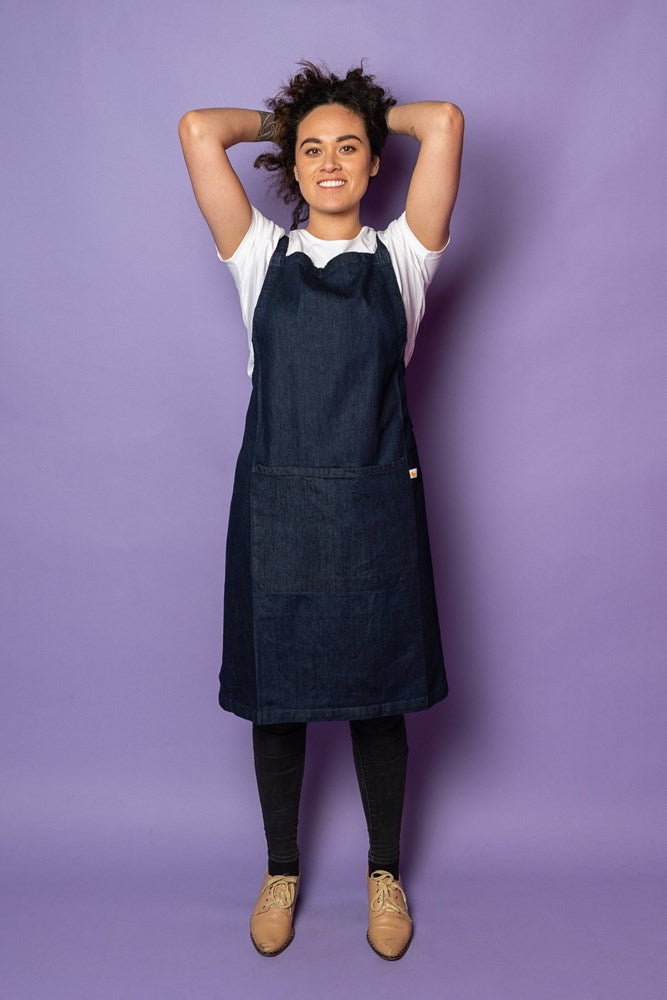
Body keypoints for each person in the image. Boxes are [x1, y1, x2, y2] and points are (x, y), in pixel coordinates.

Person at [178, 59, 464, 961]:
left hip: (375, 509)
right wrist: (297, 114)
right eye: (311, 150)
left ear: (377, 161)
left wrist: (357, 116)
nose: (330, 162)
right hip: (279, 516)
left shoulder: (404, 259)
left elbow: (446, 121)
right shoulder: (260, 257)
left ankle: (385, 874)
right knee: (279, 705)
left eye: (349, 148)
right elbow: (197, 129)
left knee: (379, 704)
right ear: (290, 168)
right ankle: (281, 870)